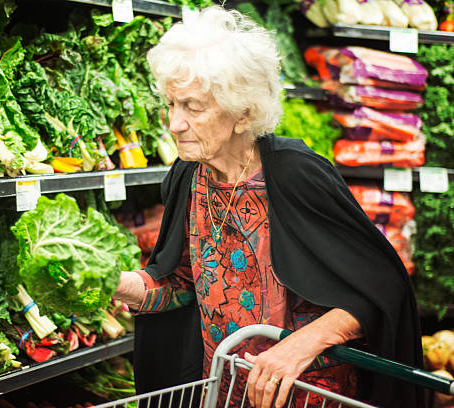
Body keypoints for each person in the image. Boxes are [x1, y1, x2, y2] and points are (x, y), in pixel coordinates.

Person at [114, 6, 424, 408]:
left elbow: (381, 292)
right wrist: (114, 283)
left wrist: (301, 345)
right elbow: (181, 287)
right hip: (223, 395)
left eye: (192, 107)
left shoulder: (295, 173)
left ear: (242, 112)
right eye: (171, 104)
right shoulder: (188, 177)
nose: (174, 123)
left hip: (310, 396)